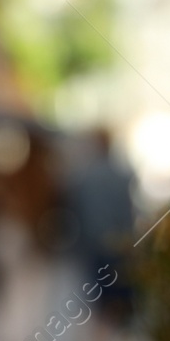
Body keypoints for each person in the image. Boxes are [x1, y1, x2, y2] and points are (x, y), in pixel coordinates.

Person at [64, 128, 135, 321]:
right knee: (119, 299)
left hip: (94, 246)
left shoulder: (84, 177)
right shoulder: (121, 175)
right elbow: (128, 213)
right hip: (117, 247)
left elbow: (77, 213)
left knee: (97, 301)